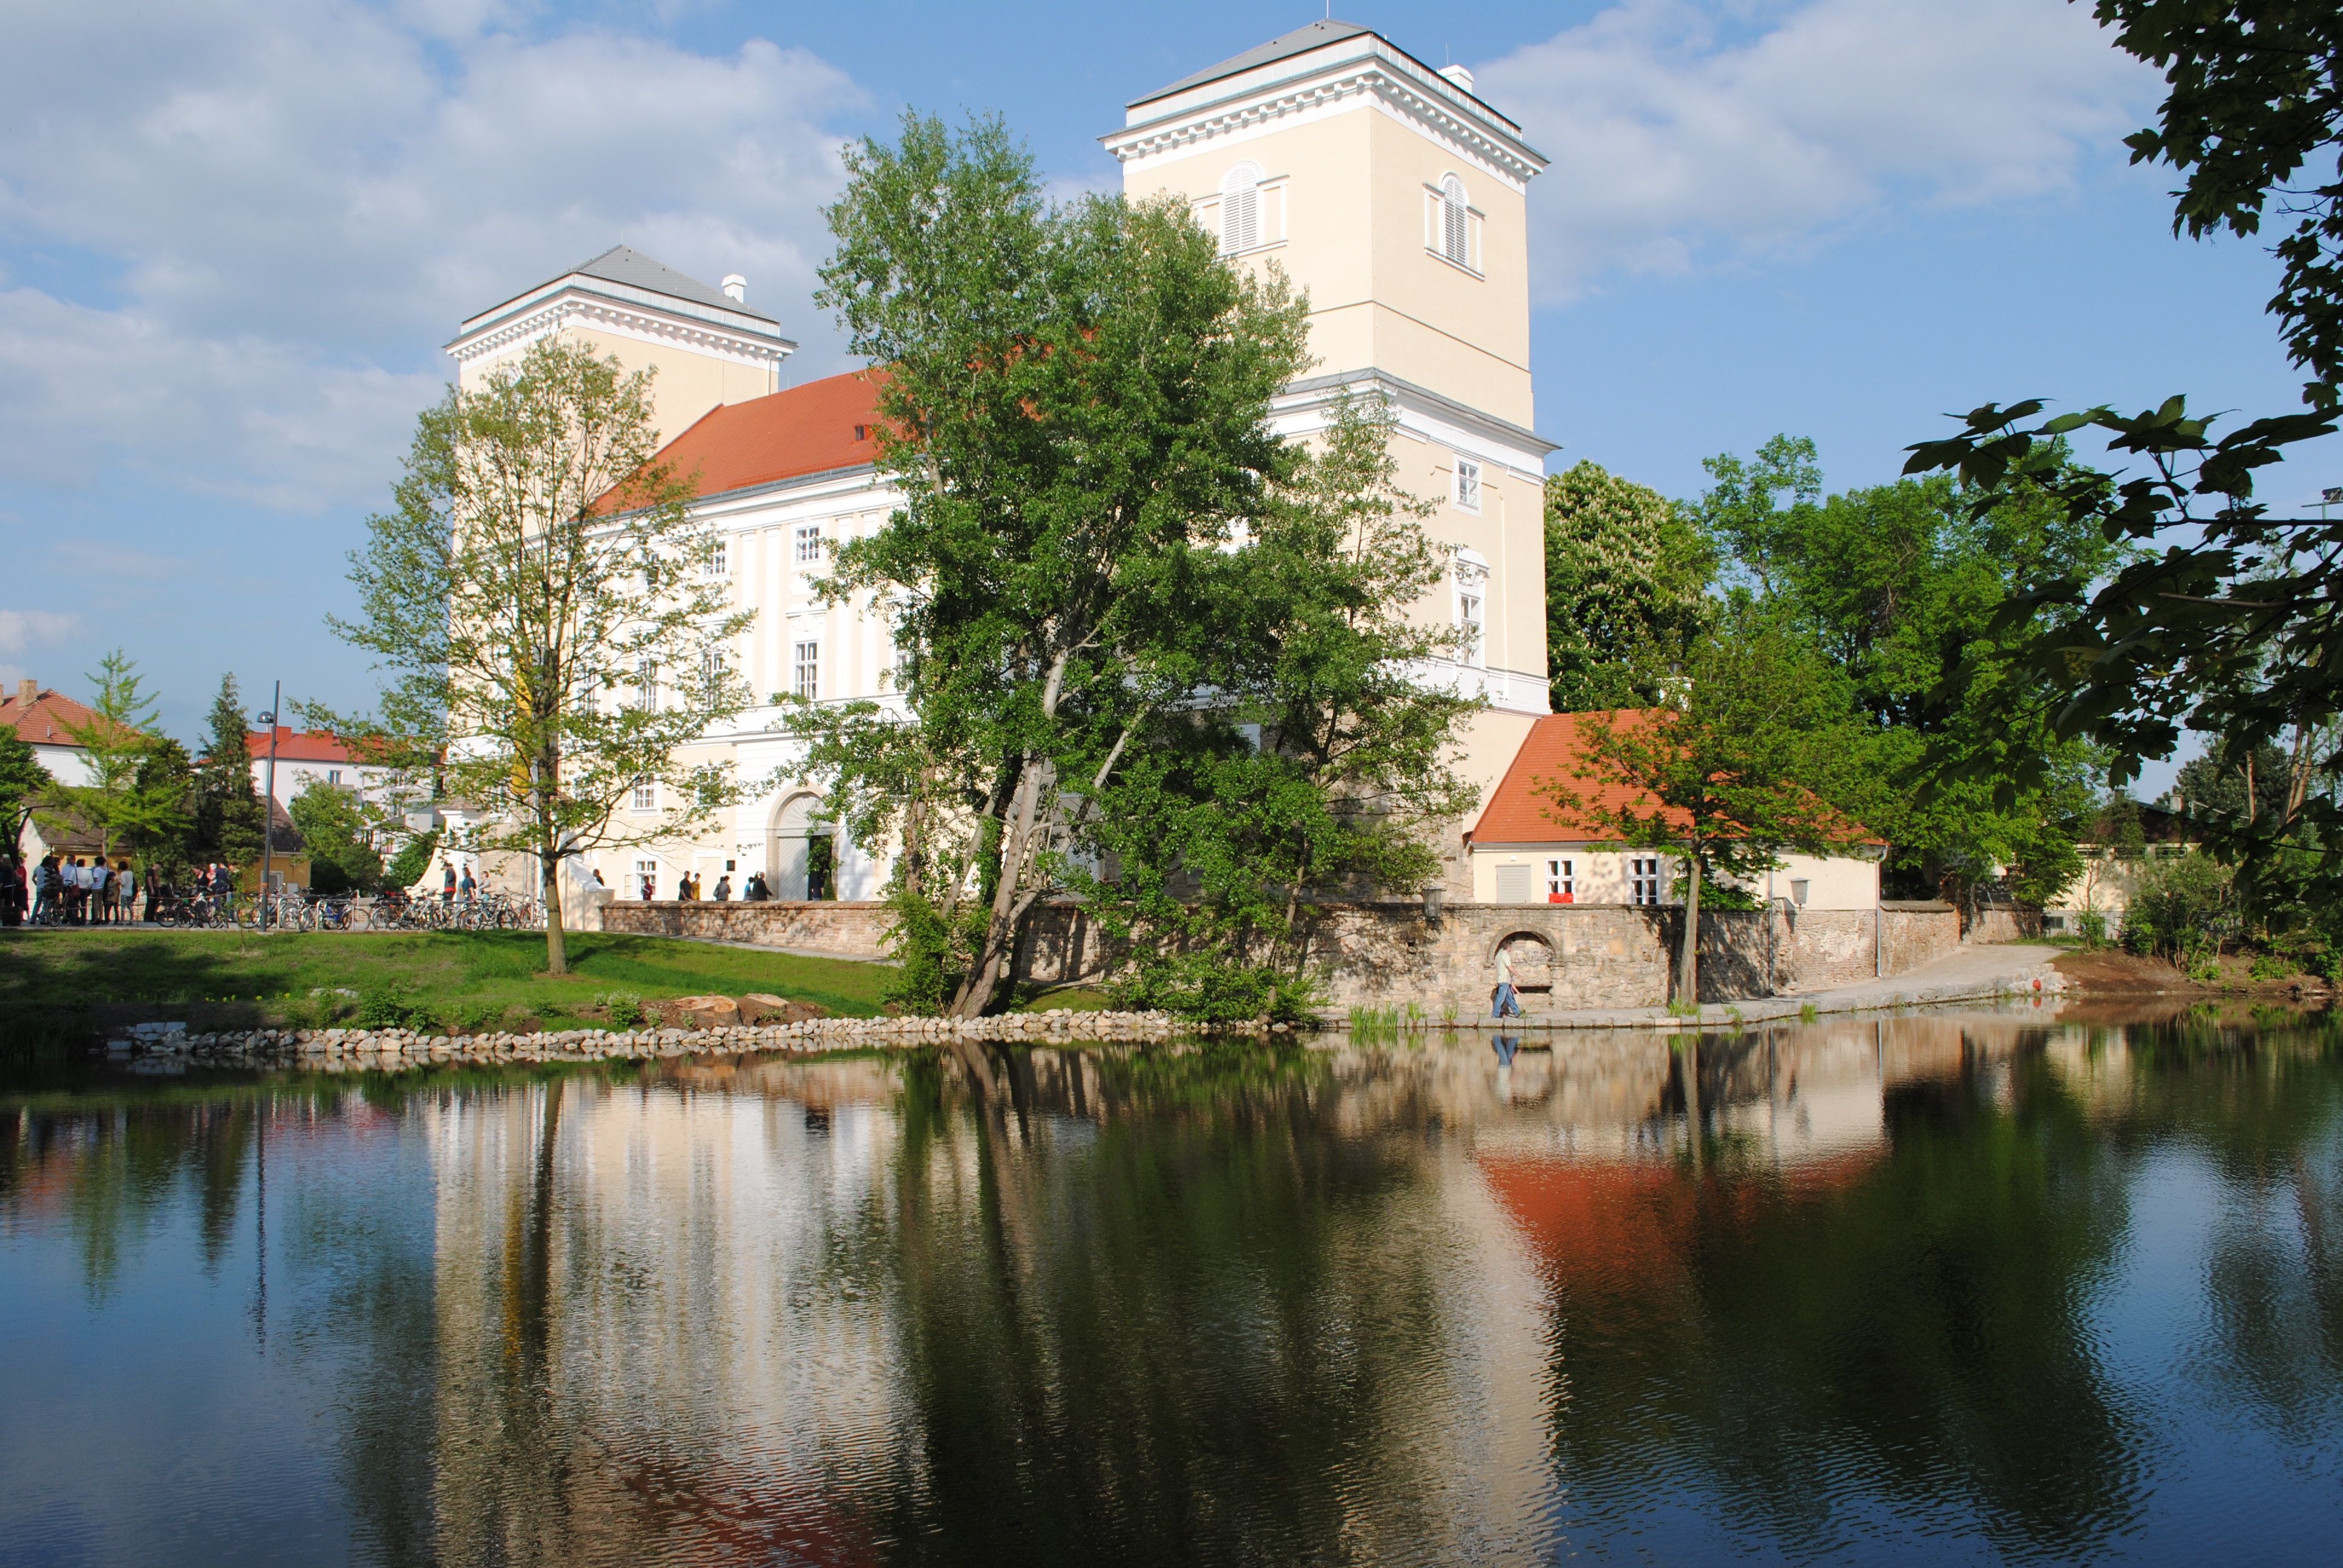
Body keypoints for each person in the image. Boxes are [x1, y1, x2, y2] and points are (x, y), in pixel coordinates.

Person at [1492, 942, 1522, 1019]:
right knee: (1501, 998)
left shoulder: (1498, 955)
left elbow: (1496, 966)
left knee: (1509, 997)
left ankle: (1517, 1013)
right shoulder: (1505, 955)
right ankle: (1495, 1014)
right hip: (1504, 979)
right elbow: (1509, 967)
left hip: (1502, 979)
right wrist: (1519, 976)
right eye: (1511, 947)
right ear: (1508, 948)